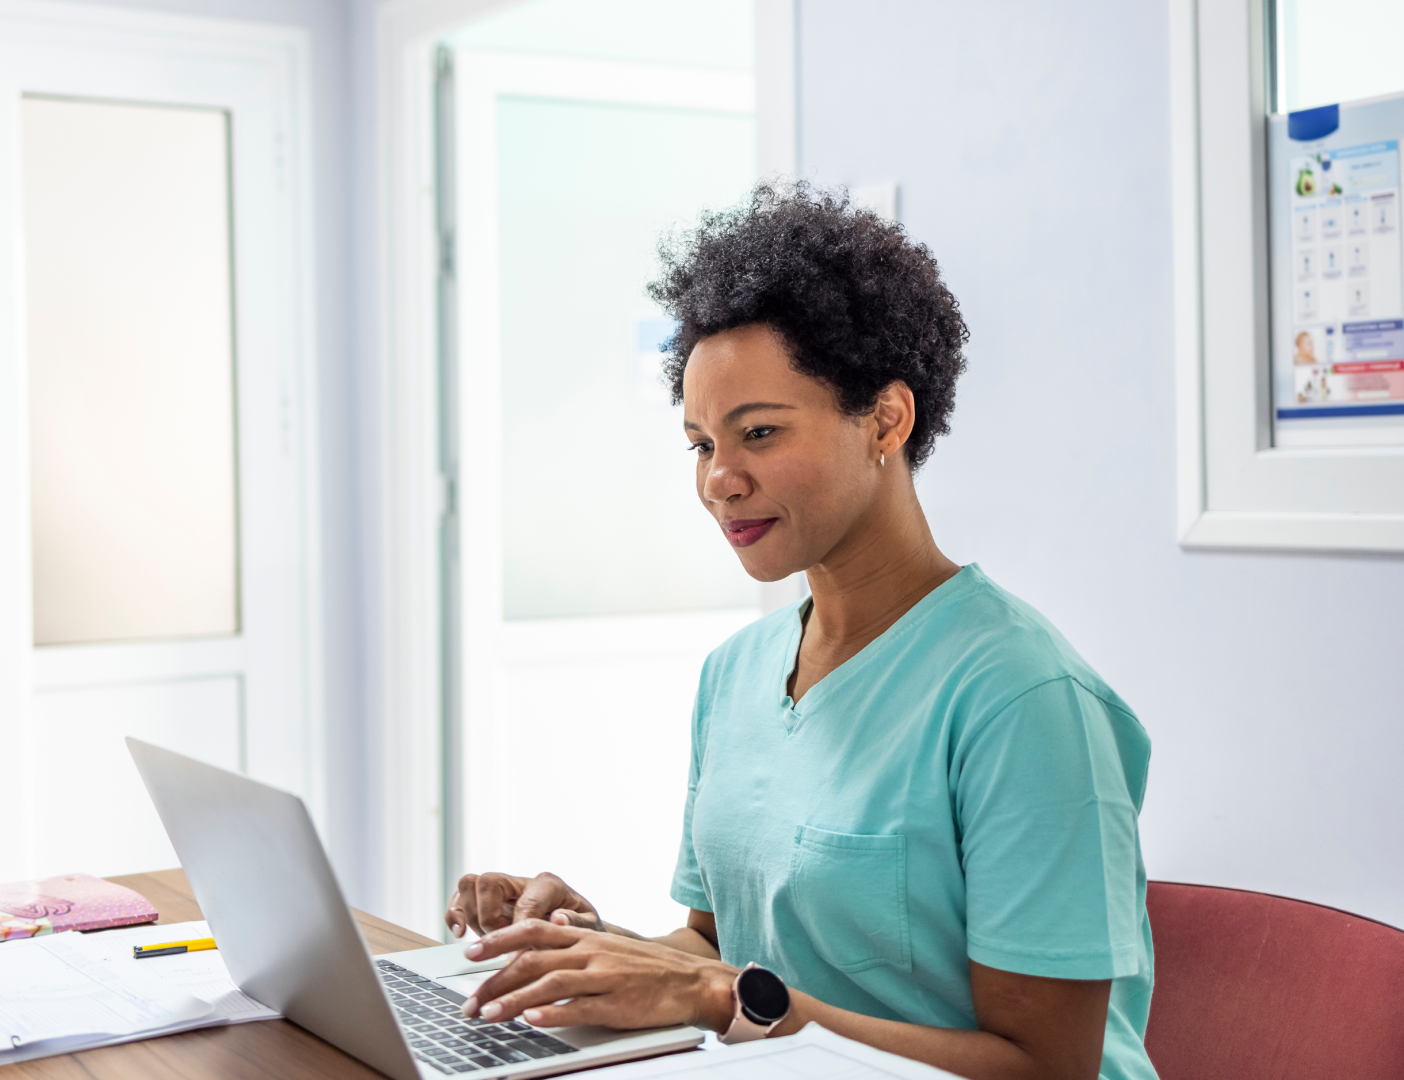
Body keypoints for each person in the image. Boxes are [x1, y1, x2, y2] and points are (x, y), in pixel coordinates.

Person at [445, 183, 1157, 1080]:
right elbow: (717, 952)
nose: (719, 480)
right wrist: (584, 947)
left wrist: (718, 998)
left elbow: (1046, 1068)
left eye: (760, 433)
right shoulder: (736, 676)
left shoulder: (1023, 699)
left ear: (886, 421)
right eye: (702, 444)